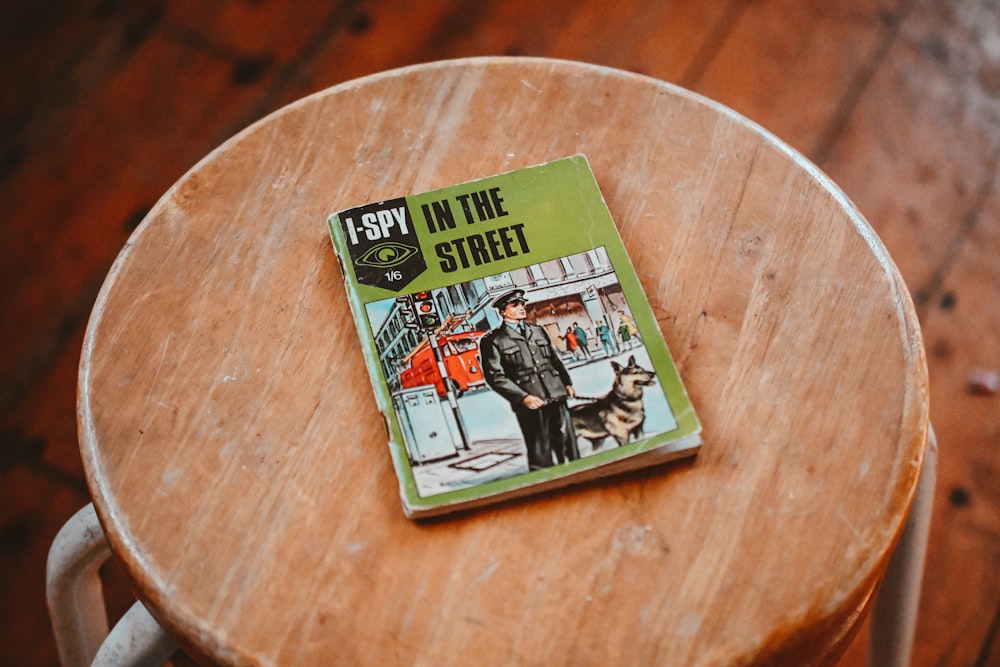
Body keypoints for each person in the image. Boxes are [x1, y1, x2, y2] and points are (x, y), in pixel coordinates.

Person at [480, 289, 579, 469]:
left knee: (568, 444)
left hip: (556, 393)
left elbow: (553, 359)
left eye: (522, 304)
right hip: (530, 401)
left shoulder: (537, 330)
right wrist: (522, 397)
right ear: (503, 311)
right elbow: (495, 376)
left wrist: (567, 383)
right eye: (515, 305)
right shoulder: (493, 340)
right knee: (540, 450)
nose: (521, 308)